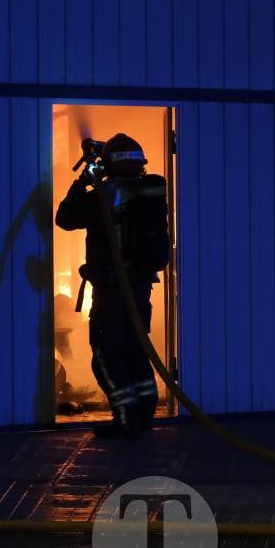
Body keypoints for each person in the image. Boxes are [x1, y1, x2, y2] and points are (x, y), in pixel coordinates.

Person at [55, 133, 170, 438]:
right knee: (134, 350)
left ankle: (124, 418)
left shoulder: (104, 197)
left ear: (109, 165)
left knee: (106, 353)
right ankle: (144, 418)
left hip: (111, 290)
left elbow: (64, 218)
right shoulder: (147, 194)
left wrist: (85, 179)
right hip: (139, 289)